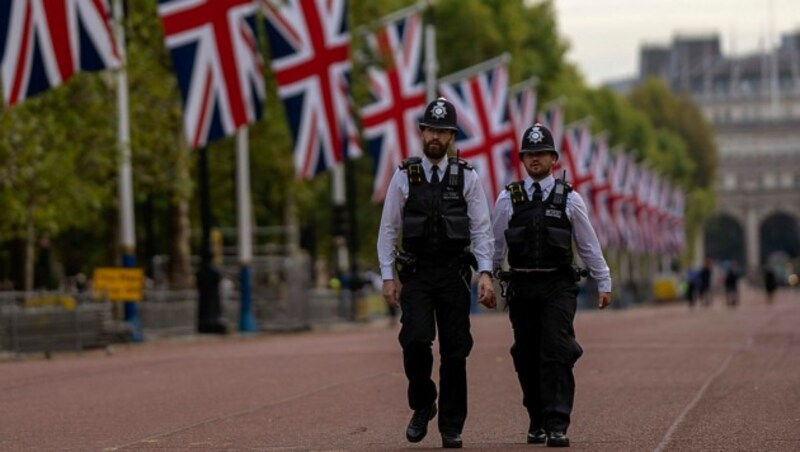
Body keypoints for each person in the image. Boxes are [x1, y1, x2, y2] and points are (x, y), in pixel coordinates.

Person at [377, 97, 496, 449]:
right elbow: (388, 229)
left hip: (453, 274)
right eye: (431, 129)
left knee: (455, 352)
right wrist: (387, 276)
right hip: (416, 275)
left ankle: (452, 425)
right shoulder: (404, 176)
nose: (436, 137)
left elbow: (482, 230)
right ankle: (423, 402)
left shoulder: (467, 178)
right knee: (414, 342)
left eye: (443, 132)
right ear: (421, 132)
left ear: (451, 137)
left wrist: (486, 273)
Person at [492, 123, 611, 448]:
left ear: (553, 158)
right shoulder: (508, 198)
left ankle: (557, 423)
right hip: (522, 287)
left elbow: (588, 245)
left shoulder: (570, 199)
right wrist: (486, 276)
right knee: (526, 355)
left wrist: (604, 280)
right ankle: (536, 419)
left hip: (558, 286)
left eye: (541, 153)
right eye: (529, 154)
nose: (534, 159)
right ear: (522, 158)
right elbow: (496, 245)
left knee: (556, 351)